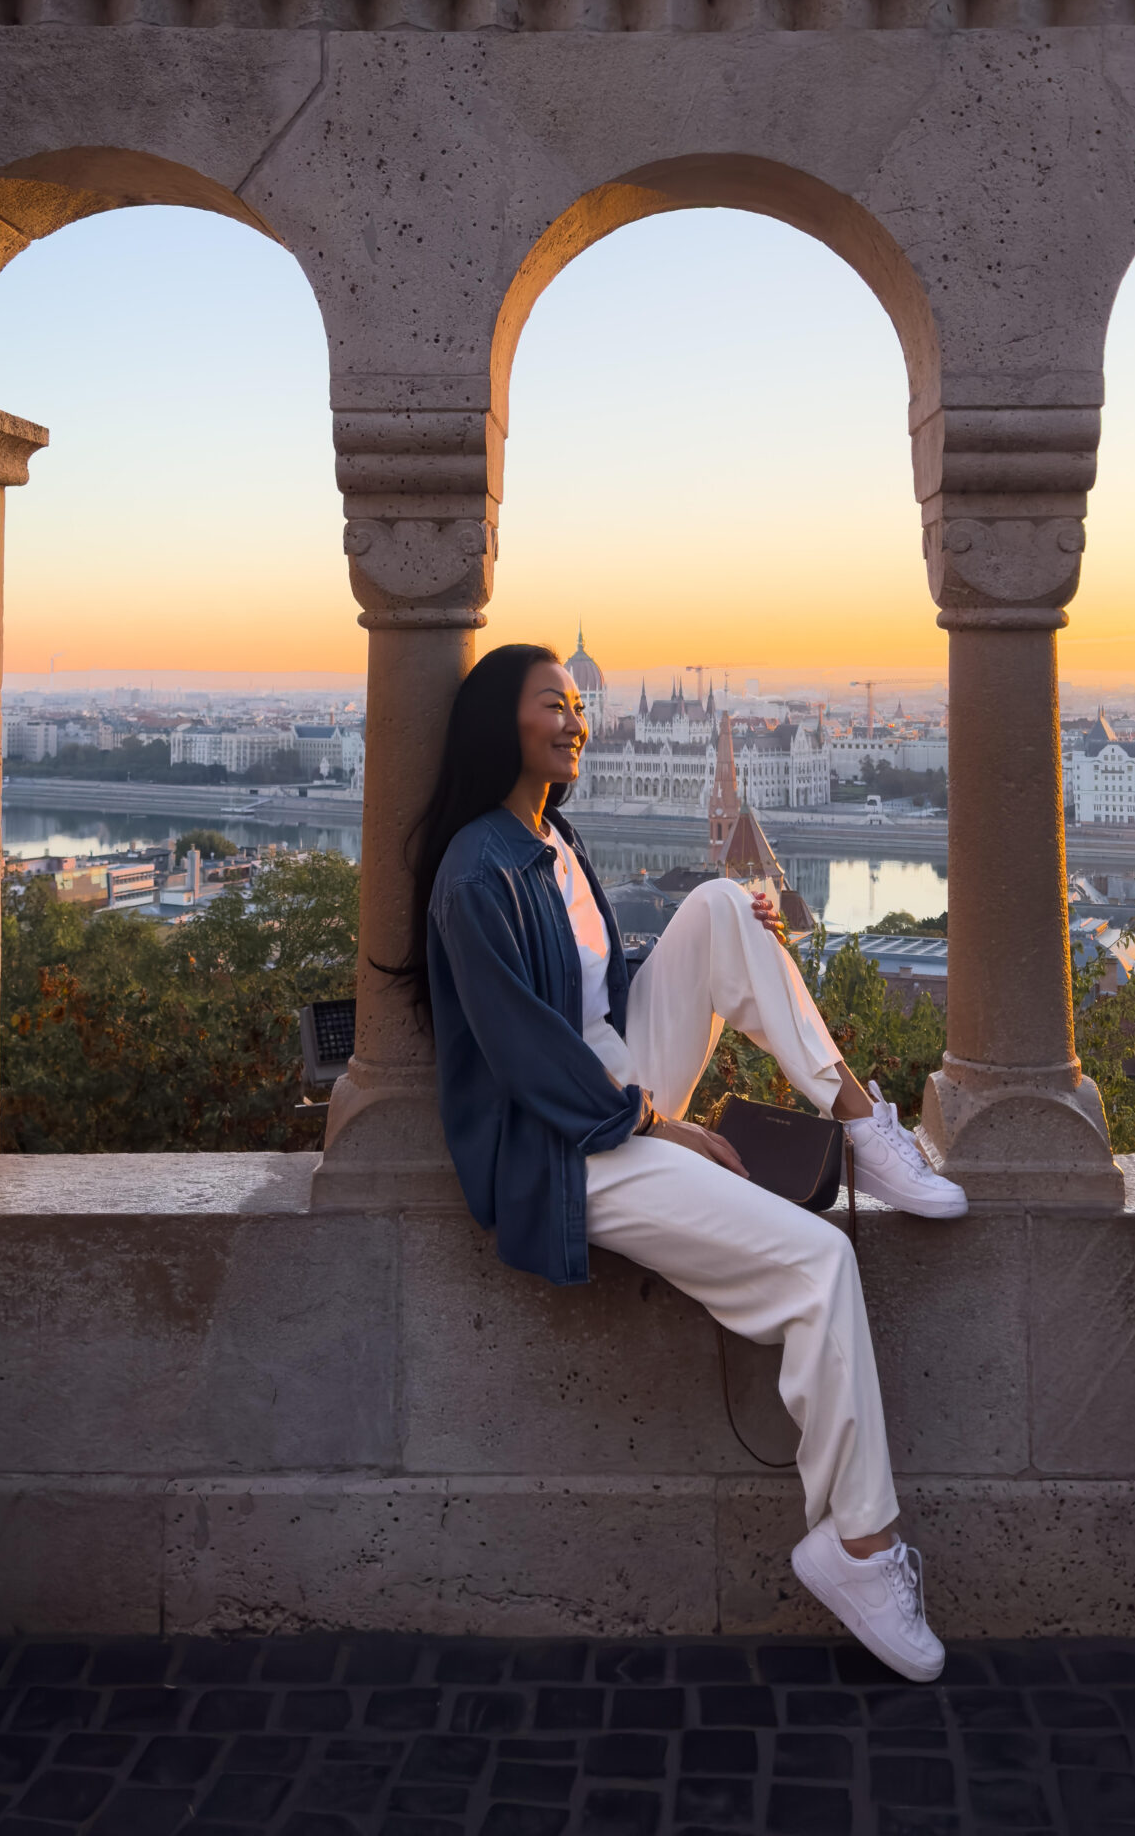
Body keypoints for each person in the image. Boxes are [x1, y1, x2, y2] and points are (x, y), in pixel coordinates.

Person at [411, 642, 968, 1681]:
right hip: (567, 1144)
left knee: (718, 902)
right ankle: (859, 1549)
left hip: (614, 1079)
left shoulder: (555, 839)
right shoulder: (475, 872)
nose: (575, 722)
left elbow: (595, 988)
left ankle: (859, 1125)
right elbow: (523, 1051)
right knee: (820, 1263)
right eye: (552, 705)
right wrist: (652, 1123)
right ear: (498, 723)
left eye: (579, 705)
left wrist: (733, 942)